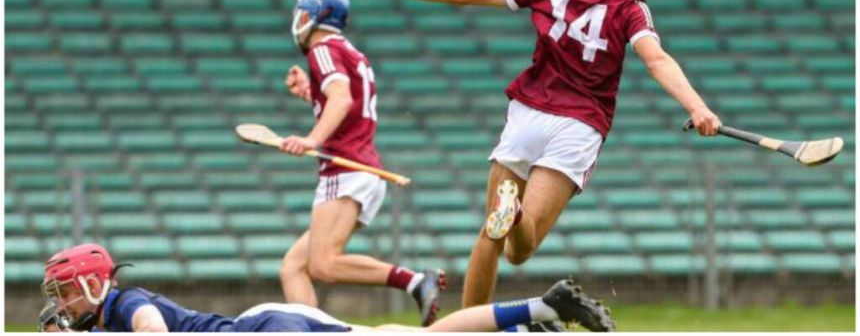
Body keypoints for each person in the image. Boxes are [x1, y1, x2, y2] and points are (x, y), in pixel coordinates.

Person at [342, 0, 722, 308]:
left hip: (527, 115)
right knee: (519, 250)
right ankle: (517, 213)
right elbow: (656, 60)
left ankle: (466, 326)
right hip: (579, 125)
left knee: (490, 235)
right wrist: (697, 106)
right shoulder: (630, 5)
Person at [278, 0, 444, 325]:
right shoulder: (349, 51)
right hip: (361, 167)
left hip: (344, 169)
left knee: (323, 263)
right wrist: (311, 94)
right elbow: (344, 102)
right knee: (294, 267)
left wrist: (311, 139)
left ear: (313, 17)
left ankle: (414, 281)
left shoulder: (321, 49)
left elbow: (341, 100)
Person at [40, 243, 615, 332]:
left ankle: (536, 310)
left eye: (66, 292)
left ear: (95, 284)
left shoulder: (127, 303)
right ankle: (538, 307)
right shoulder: (107, 311)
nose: (60, 304)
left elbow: (151, 328)